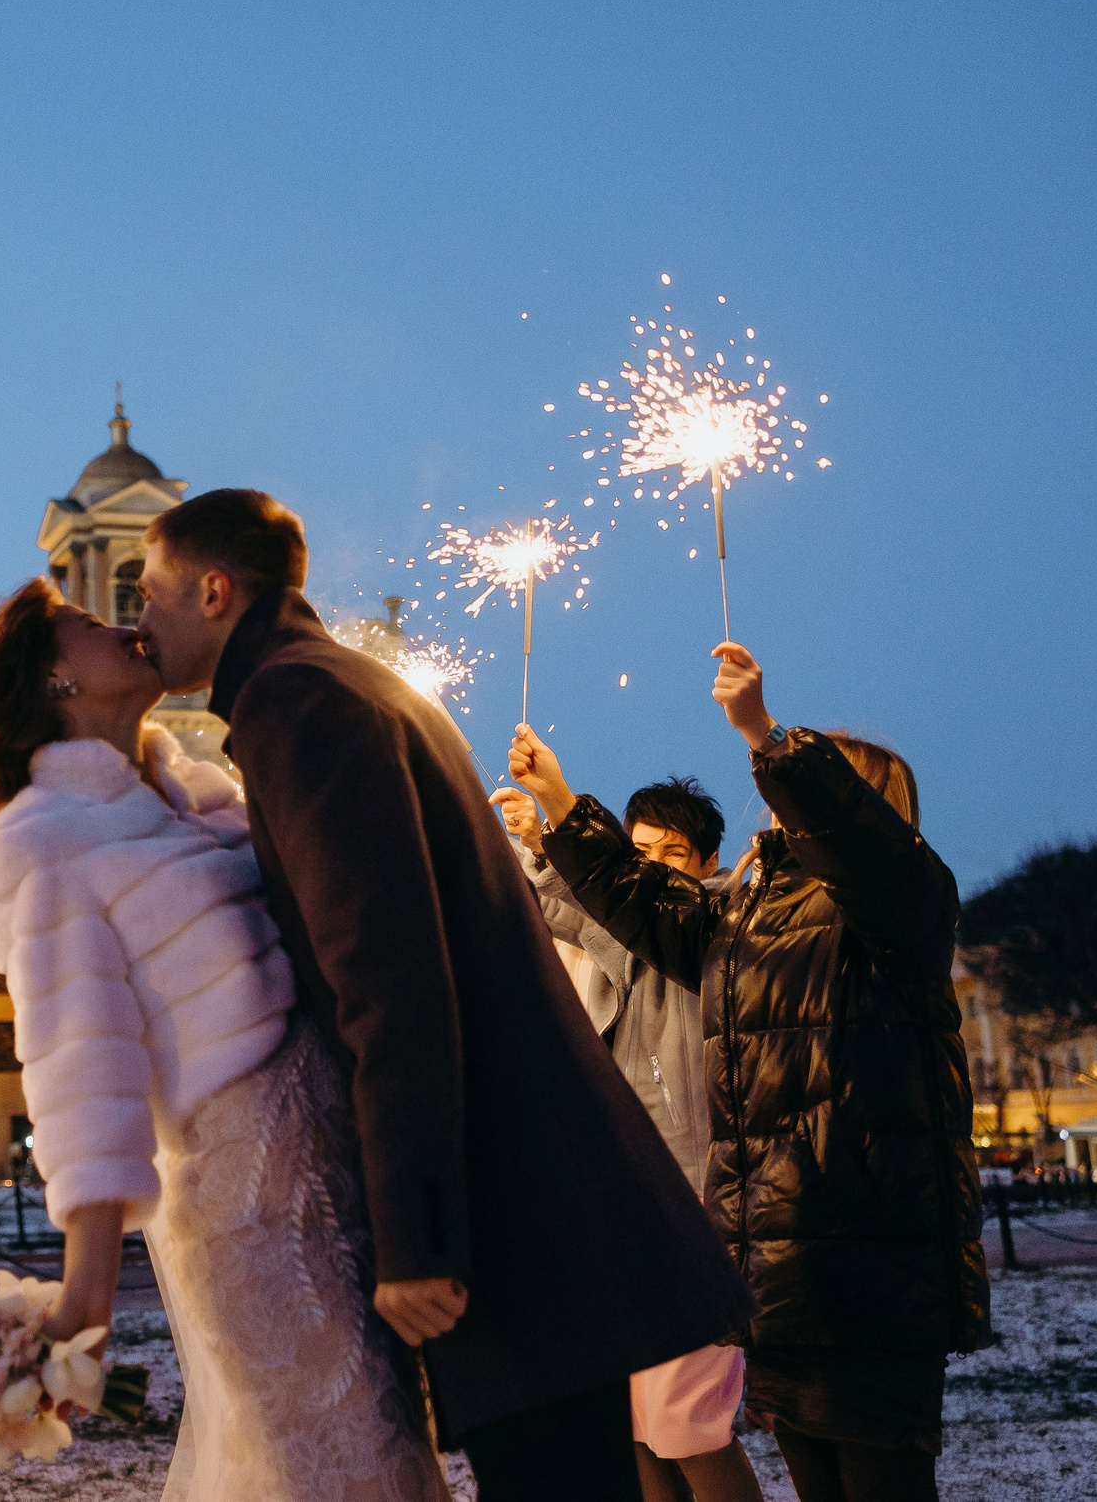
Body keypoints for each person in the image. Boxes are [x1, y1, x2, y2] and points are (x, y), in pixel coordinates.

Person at [133, 489, 754, 1502]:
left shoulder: (293, 703)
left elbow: (389, 979)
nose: (136, 619)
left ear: (213, 590)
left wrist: (418, 1236)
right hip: (541, 1187)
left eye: (147, 591)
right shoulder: (341, 684)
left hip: (508, 1206)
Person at [0, 580, 450, 1502]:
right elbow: (78, 1059)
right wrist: (86, 1288)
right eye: (87, 625)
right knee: (338, 1462)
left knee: (394, 1450)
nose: (122, 623)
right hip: (246, 1201)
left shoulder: (204, 792)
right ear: (53, 678)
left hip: (338, 1165)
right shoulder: (38, 839)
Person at [510, 644, 992, 1502]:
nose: (769, 803)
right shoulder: (747, 923)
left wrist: (768, 736)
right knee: (812, 1473)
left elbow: (857, 844)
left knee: (878, 1482)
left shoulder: (900, 907)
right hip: (776, 1262)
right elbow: (640, 905)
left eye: (800, 792)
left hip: (871, 1264)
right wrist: (558, 802)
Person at [493, 776, 760, 1502]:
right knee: (635, 1419)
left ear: (708, 863)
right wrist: (537, 838)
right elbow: (564, 907)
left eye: (673, 853)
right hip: (627, 1203)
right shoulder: (627, 935)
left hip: (702, 1201)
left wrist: (553, 816)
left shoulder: (718, 928)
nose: (651, 866)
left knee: (685, 1420)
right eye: (637, 851)